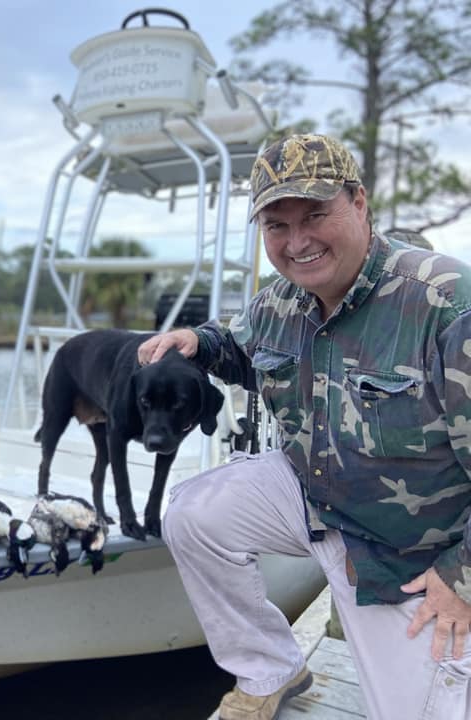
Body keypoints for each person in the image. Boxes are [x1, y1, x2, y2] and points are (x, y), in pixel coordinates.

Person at [137, 133, 471, 720]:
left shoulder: (446, 304)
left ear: (359, 204)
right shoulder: (278, 302)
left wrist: (461, 580)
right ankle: (272, 670)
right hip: (317, 496)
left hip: (412, 551)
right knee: (193, 513)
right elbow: (240, 348)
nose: (298, 242)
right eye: (276, 225)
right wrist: (198, 342)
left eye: (316, 214)